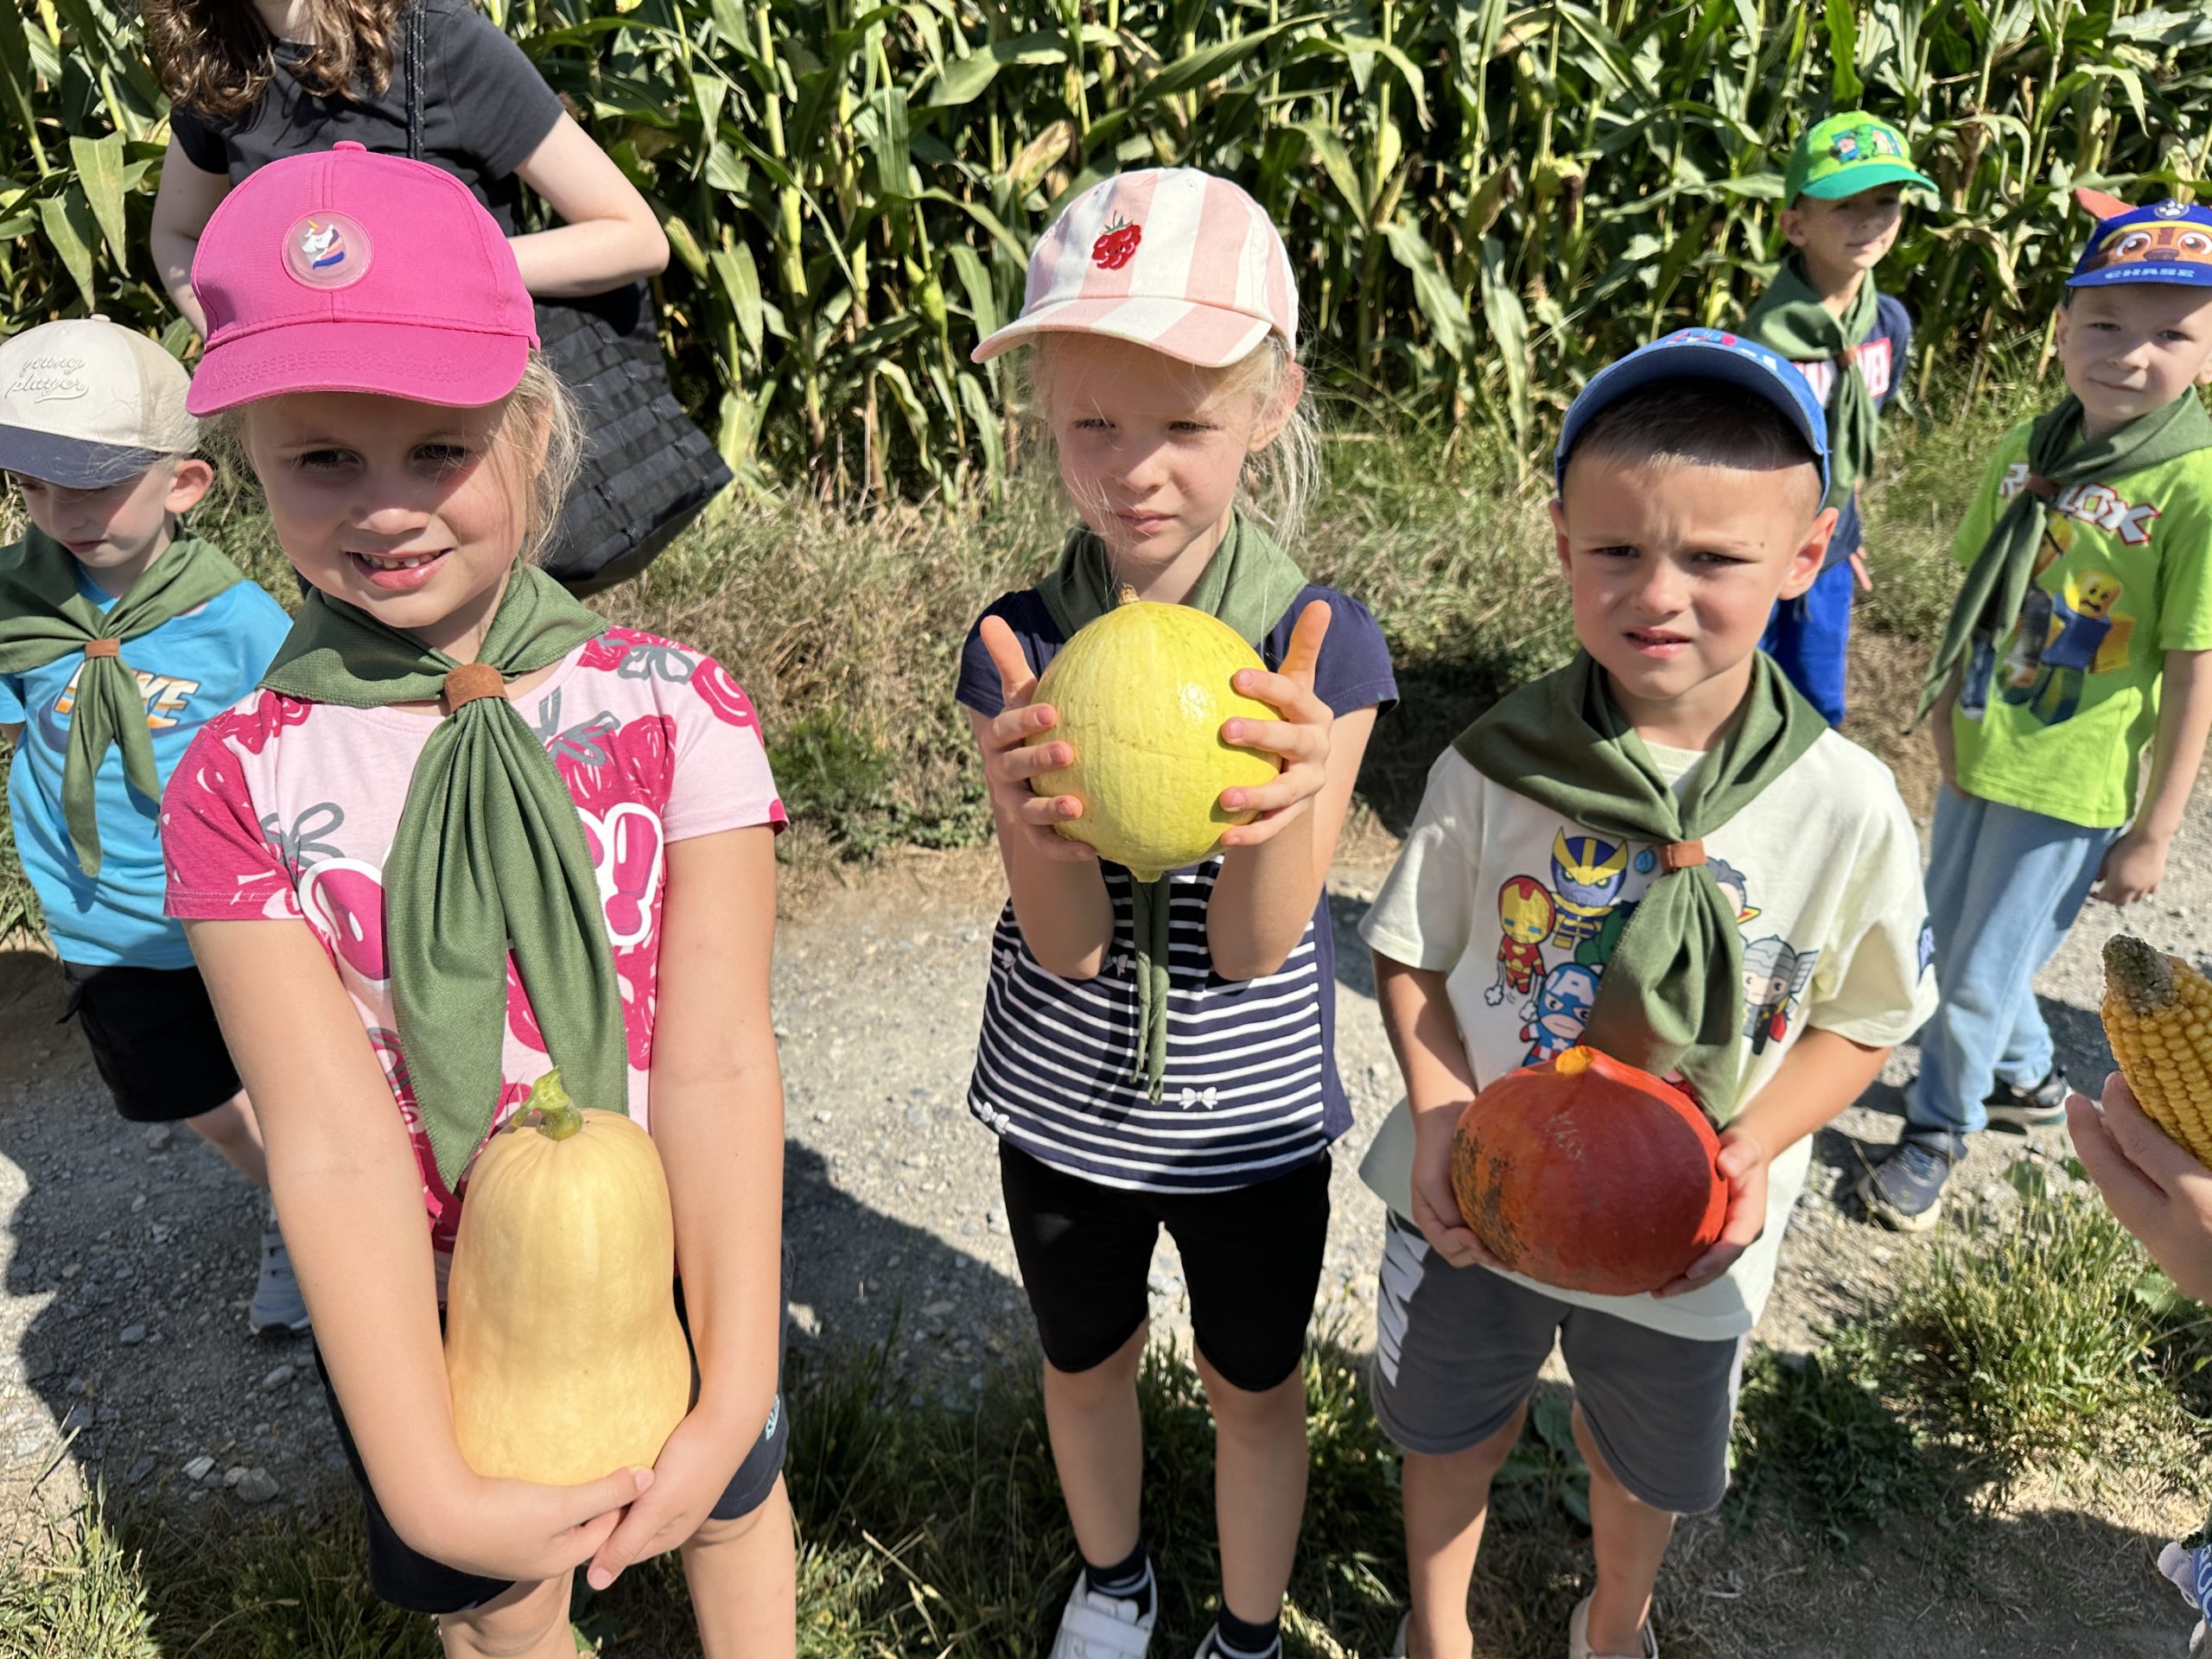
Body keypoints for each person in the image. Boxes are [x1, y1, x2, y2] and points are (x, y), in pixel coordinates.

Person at [158, 144, 792, 1658]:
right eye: (323, 459)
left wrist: (734, 1388)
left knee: (733, 1515)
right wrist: (428, 1488)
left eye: (440, 448)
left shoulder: (682, 710)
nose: (386, 508)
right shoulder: (237, 782)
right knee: (504, 1609)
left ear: (536, 428)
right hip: (445, 1304)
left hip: (668, 1256)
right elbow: (326, 1146)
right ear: (249, 462)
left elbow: (716, 1064)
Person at [1354, 329, 1936, 1659]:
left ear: (1809, 555)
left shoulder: (1845, 806)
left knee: (1641, 1460)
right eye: (1617, 549)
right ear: (1562, 545)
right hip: (1479, 1202)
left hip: (1690, 1235)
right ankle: (1437, 1629)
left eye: (1716, 558)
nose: (1659, 594)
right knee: (1450, 1430)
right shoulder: (1495, 765)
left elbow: (1864, 1015)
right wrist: (1439, 1119)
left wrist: (1755, 1145)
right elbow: (1413, 954)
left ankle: (1614, 1624)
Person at [956, 168, 1397, 1659]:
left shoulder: (1318, 647)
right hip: (1063, 1109)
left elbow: (1258, 949)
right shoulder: (1018, 647)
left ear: (1270, 408)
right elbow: (1070, 944)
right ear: (1046, 420)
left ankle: (1249, 1630)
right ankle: (1115, 1579)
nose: (1135, 470)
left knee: (1252, 1387)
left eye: (1186, 427)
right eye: (1094, 424)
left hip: (1247, 1128)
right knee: (1085, 1363)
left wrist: (1280, 808)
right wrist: (1034, 814)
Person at [1863, 195, 2212, 1230]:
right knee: (1953, 940)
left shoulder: (2194, 489)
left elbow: (2194, 667)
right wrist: (1942, 706)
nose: (2129, 354)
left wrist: (2154, 829)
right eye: (2103, 322)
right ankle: (2021, 1075)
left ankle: (1937, 1131)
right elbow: (1979, 588)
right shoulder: (2029, 446)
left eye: (2171, 335)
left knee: (1971, 971)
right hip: (1981, 737)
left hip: (2069, 775)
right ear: (2060, 328)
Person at [0, 317, 302, 1334]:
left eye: (91, 483)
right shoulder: (15, 601)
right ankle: (284, 1192)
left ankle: (325, 1211)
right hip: (101, 916)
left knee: (288, 1069)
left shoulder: (239, 620)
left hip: (232, 907)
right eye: (34, 487)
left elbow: (294, 754)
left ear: (185, 483)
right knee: (194, 1095)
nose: (60, 514)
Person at [143, 0, 667, 338]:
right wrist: (236, 339)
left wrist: (431, 268)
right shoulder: (216, 63)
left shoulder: (438, 41)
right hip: (314, 404)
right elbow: (178, 234)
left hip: (455, 393)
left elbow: (635, 238)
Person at [1743, 110, 1932, 726]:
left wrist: (1848, 529)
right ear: (1795, 225)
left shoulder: (1889, 325)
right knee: (1738, 686)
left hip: (1830, 545)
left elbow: (1857, 431)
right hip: (1755, 544)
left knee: (1817, 698)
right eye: (1846, 206)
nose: (1871, 221)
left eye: (1886, 202)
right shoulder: (1762, 341)